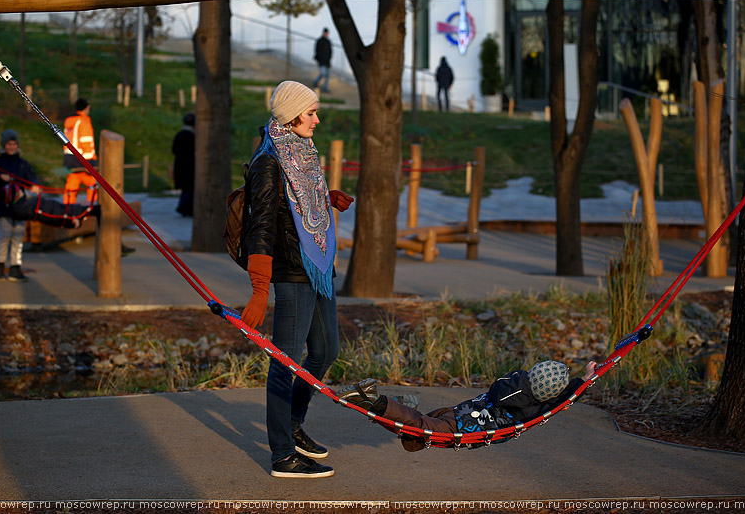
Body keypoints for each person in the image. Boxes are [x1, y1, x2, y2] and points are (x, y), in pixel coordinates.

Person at [243, 80, 354, 478]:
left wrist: (327, 199)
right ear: (292, 115)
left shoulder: (302, 152)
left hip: (318, 266)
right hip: (291, 271)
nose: (317, 120)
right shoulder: (268, 162)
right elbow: (261, 225)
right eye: (311, 113)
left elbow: (299, 202)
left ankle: (292, 422)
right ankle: (282, 455)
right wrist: (259, 289)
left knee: (325, 351)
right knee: (285, 359)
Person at [337, 360, 598, 452]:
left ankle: (390, 405)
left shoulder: (514, 382)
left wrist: (580, 381)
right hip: (465, 428)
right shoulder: (533, 409)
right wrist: (581, 385)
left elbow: (556, 398)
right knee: (419, 428)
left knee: (416, 431)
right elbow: (557, 401)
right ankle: (376, 402)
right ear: (547, 395)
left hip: (460, 410)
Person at [0, 129, 41, 282]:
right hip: (4, 205)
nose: (12, 147)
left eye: (14, 144)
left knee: (18, 236)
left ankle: (15, 267)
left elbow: (31, 177)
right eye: (9, 144)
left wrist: (34, 185)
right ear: (4, 145)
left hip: (19, 206)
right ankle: (0, 266)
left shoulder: (22, 164)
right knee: (4, 235)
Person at [62, 97, 97, 205]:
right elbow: (86, 141)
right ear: (86, 108)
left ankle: (68, 208)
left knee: (72, 184)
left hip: (69, 157)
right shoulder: (83, 121)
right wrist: (89, 162)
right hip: (81, 158)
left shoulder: (69, 121)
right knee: (92, 183)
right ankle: (93, 206)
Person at [171, 113, 195, 217]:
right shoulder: (193, 136)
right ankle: (186, 209)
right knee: (189, 189)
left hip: (180, 165)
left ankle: (183, 207)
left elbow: (174, 150)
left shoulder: (179, 135)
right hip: (190, 166)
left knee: (185, 189)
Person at [312, 28, 332, 93]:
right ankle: (316, 82)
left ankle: (325, 87)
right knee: (323, 73)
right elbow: (317, 51)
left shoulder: (328, 42)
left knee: (327, 75)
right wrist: (319, 59)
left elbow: (330, 52)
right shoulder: (320, 41)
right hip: (321, 61)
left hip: (327, 62)